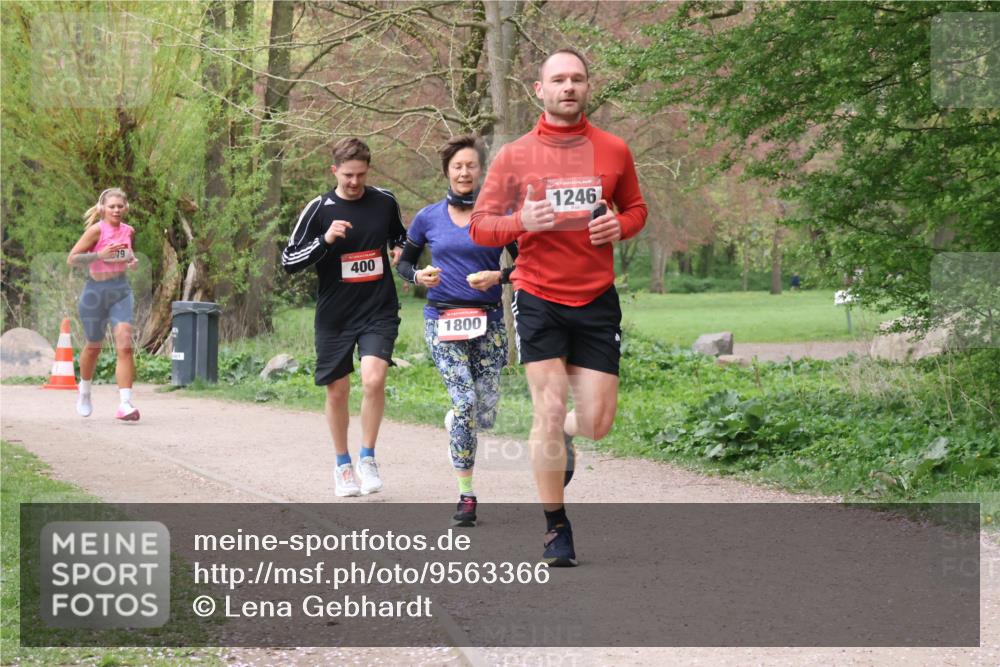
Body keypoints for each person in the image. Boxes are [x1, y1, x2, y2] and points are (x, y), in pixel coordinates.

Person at [469, 48, 648, 566]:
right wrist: (523, 220)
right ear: (539, 91)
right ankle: (556, 527)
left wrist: (622, 225)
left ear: (588, 87)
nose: (568, 87)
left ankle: (567, 438)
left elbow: (636, 209)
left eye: (578, 79)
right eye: (559, 80)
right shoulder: (515, 155)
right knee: (547, 410)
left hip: (596, 297)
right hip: (538, 293)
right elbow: (482, 225)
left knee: (594, 423)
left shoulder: (614, 149)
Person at [396, 135, 517, 527]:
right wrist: (419, 276)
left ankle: (458, 421)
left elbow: (527, 263)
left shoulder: (499, 215)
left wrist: (497, 275)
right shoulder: (428, 217)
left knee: (483, 415)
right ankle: (467, 495)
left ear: (482, 170)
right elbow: (404, 265)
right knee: (466, 402)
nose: (464, 172)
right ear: (447, 171)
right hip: (443, 320)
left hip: (489, 322)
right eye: (457, 167)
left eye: (471, 166)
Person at [282, 137, 406, 497]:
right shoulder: (319, 208)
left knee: (373, 380)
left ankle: (367, 457)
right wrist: (326, 240)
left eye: (361, 175)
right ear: (334, 170)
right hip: (335, 315)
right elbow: (289, 261)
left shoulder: (384, 201)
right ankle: (343, 465)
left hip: (378, 309)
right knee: (337, 391)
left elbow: (403, 237)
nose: (354, 182)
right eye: (348, 175)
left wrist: (401, 249)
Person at [67, 187, 141, 422]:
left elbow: (127, 256)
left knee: (125, 345)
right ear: (102, 209)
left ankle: (125, 403)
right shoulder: (96, 230)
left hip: (121, 292)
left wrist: (132, 262)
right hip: (95, 293)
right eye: (112, 206)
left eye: (120, 206)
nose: (116, 210)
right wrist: (99, 255)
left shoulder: (129, 231)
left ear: (126, 208)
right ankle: (85, 391)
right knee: (94, 347)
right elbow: (72, 259)